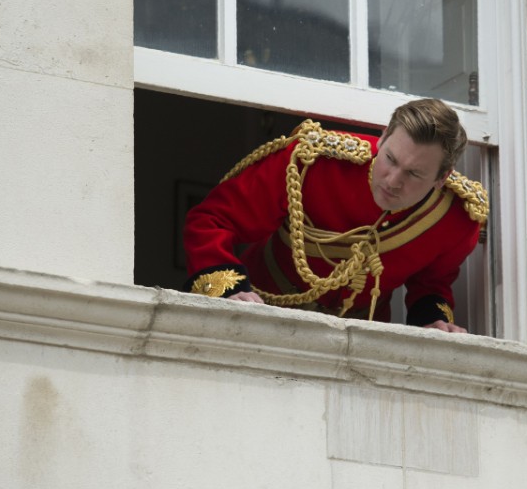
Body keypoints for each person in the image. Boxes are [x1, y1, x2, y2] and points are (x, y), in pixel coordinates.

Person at [182, 98, 488, 333]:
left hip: (360, 335)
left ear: (442, 177)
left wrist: (432, 320)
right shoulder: (311, 162)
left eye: (414, 173)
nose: (393, 180)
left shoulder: (456, 220)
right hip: (260, 313)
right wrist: (227, 291)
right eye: (390, 159)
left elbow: (432, 284)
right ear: (382, 138)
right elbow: (212, 220)